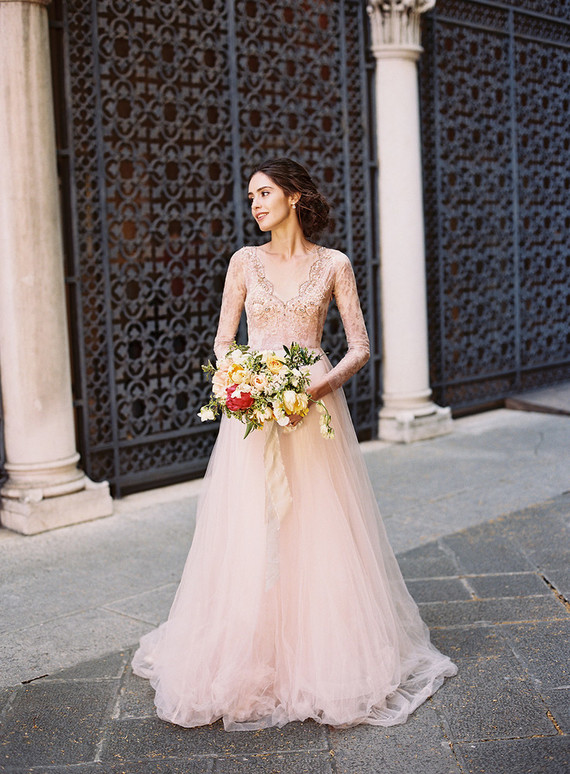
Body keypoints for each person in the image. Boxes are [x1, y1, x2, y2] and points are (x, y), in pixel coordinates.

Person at [132, 157, 457, 731]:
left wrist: (314, 388)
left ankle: (320, 653)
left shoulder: (334, 264)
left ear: (295, 197)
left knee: (315, 525)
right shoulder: (243, 262)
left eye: (263, 193)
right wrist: (243, 382)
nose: (253, 204)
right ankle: (249, 649)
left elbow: (358, 346)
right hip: (254, 417)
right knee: (249, 528)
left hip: (311, 412)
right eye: (250, 196)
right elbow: (224, 340)